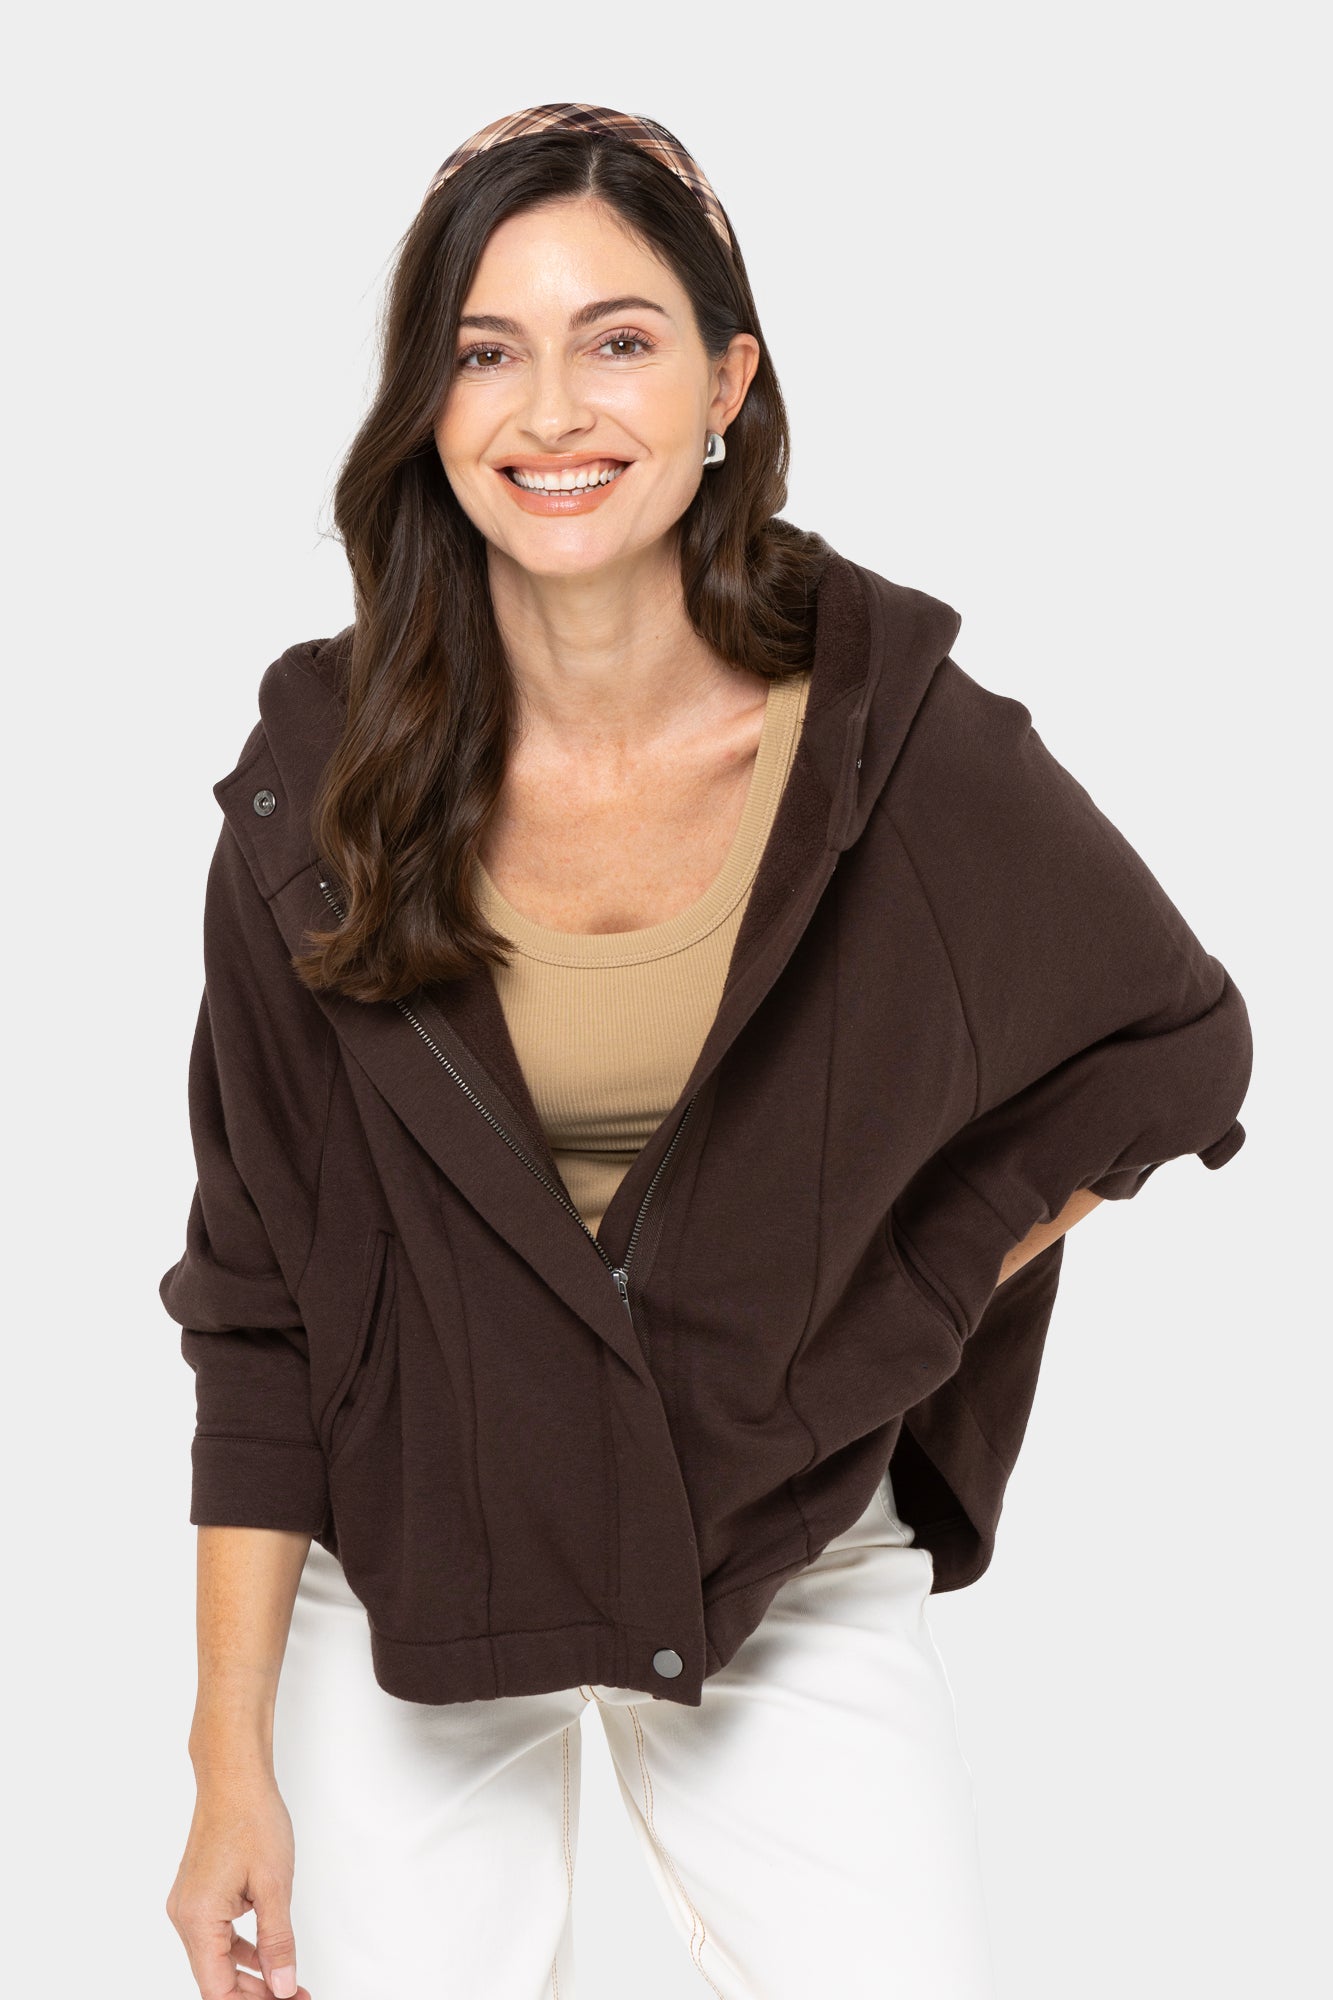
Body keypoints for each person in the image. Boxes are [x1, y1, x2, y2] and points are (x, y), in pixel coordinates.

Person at [161, 105, 1253, 2000]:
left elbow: (1171, 1049)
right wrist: (225, 1759)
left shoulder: (891, 748)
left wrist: (905, 1291)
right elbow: (257, 1297)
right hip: (417, 1563)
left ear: (726, 382)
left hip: (779, 1556)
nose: (550, 412)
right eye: (484, 352)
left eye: (619, 340)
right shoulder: (316, 788)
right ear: (426, 403)